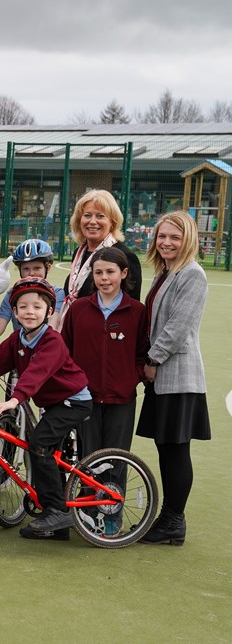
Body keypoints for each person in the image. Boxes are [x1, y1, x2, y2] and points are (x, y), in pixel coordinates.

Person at [0, 278, 92, 541]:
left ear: (49, 312)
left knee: (39, 444)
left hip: (73, 401)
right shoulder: (18, 339)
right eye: (23, 307)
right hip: (52, 402)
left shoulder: (52, 341)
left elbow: (37, 372)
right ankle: (55, 520)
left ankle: (57, 510)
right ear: (15, 312)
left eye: (37, 307)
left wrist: (15, 399)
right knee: (44, 450)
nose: (29, 312)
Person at [136, 211, 211, 546]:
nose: (166, 242)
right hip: (165, 377)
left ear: (188, 240)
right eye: (162, 236)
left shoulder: (192, 275)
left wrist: (152, 359)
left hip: (178, 376)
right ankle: (169, 519)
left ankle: (173, 521)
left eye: (174, 237)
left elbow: (178, 328)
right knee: (166, 449)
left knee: (176, 451)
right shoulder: (165, 271)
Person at [61, 246, 148, 466]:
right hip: (85, 397)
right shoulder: (78, 309)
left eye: (110, 272)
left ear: (124, 273)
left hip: (121, 399)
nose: (104, 278)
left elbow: (142, 351)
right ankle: (86, 500)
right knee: (88, 461)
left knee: (116, 459)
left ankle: (113, 501)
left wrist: (131, 378)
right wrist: (75, 383)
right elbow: (65, 351)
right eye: (98, 273)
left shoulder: (137, 311)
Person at [59, 189, 142, 330]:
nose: (92, 221)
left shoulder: (125, 256)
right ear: (79, 221)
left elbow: (130, 310)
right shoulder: (78, 254)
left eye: (100, 216)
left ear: (112, 222)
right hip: (74, 331)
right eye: (87, 215)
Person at [0, 239, 66, 346]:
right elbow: (0, 323)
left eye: (37, 268)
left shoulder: (57, 293)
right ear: (19, 269)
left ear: (48, 268)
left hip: (45, 348)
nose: (31, 273)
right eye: (26, 268)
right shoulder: (12, 293)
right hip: (20, 349)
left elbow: (52, 325)